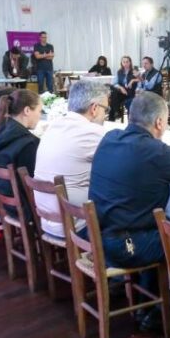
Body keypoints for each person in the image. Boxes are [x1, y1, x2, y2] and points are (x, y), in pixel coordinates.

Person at [90, 92, 170, 330]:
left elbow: (146, 162)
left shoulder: (111, 137)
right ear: (160, 123)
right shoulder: (156, 152)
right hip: (126, 246)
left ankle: (148, 303)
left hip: (98, 236)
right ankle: (159, 309)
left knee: (158, 231)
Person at [33, 80, 108, 237]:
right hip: (76, 225)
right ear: (94, 108)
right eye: (105, 110)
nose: (105, 115)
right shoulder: (91, 131)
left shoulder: (53, 126)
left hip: (47, 220)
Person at [0, 89, 42, 210]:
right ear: (27, 110)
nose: (40, 116)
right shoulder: (28, 143)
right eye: (39, 111)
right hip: (26, 209)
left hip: (5, 203)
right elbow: (35, 183)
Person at [110, 55, 135, 121]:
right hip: (122, 93)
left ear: (130, 62)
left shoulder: (134, 71)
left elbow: (141, 80)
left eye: (127, 62)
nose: (125, 64)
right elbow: (114, 83)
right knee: (113, 90)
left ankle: (116, 113)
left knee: (113, 100)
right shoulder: (119, 72)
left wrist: (132, 81)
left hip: (131, 93)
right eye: (124, 62)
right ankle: (117, 112)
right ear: (121, 63)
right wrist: (121, 88)